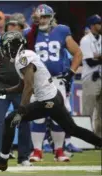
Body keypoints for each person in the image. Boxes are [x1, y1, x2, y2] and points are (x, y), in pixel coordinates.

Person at [0, 31, 102, 171]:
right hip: (53, 97)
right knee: (72, 129)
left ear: (12, 46)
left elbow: (29, 86)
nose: (2, 49)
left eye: (5, 46)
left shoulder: (23, 58)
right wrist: (2, 91)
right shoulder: (23, 56)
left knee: (10, 119)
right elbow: (22, 85)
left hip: (48, 101)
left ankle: (2, 161)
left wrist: (21, 109)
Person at [27, 4, 83, 162]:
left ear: (51, 17)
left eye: (45, 16)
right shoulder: (29, 33)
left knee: (59, 115)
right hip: (38, 82)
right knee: (38, 117)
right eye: (40, 17)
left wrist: (70, 74)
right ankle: (37, 151)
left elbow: (78, 53)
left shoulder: (62, 30)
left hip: (57, 80)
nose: (43, 20)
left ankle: (59, 151)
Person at [0, 14, 32, 167]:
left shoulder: (27, 45)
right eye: (11, 25)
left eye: (17, 26)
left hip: (21, 88)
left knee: (23, 120)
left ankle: (24, 157)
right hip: (1, 88)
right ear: (7, 27)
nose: (14, 28)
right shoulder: (0, 45)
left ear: (22, 29)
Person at [80, 14, 102, 138]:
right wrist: (98, 58)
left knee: (100, 112)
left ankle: (99, 138)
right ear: (93, 26)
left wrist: (98, 57)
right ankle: (85, 139)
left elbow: (96, 59)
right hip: (90, 79)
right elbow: (90, 61)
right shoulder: (85, 40)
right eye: (98, 23)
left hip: (100, 77)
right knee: (87, 111)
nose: (100, 26)